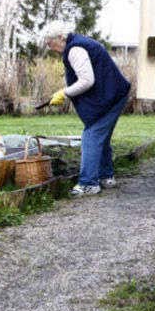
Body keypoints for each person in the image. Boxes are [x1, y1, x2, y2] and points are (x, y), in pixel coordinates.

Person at [43, 22, 131, 197]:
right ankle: (106, 177)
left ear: (61, 37)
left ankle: (88, 184)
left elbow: (86, 81)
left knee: (91, 136)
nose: (50, 47)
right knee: (101, 137)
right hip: (114, 93)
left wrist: (64, 93)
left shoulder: (75, 49)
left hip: (110, 97)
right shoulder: (78, 44)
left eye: (50, 43)